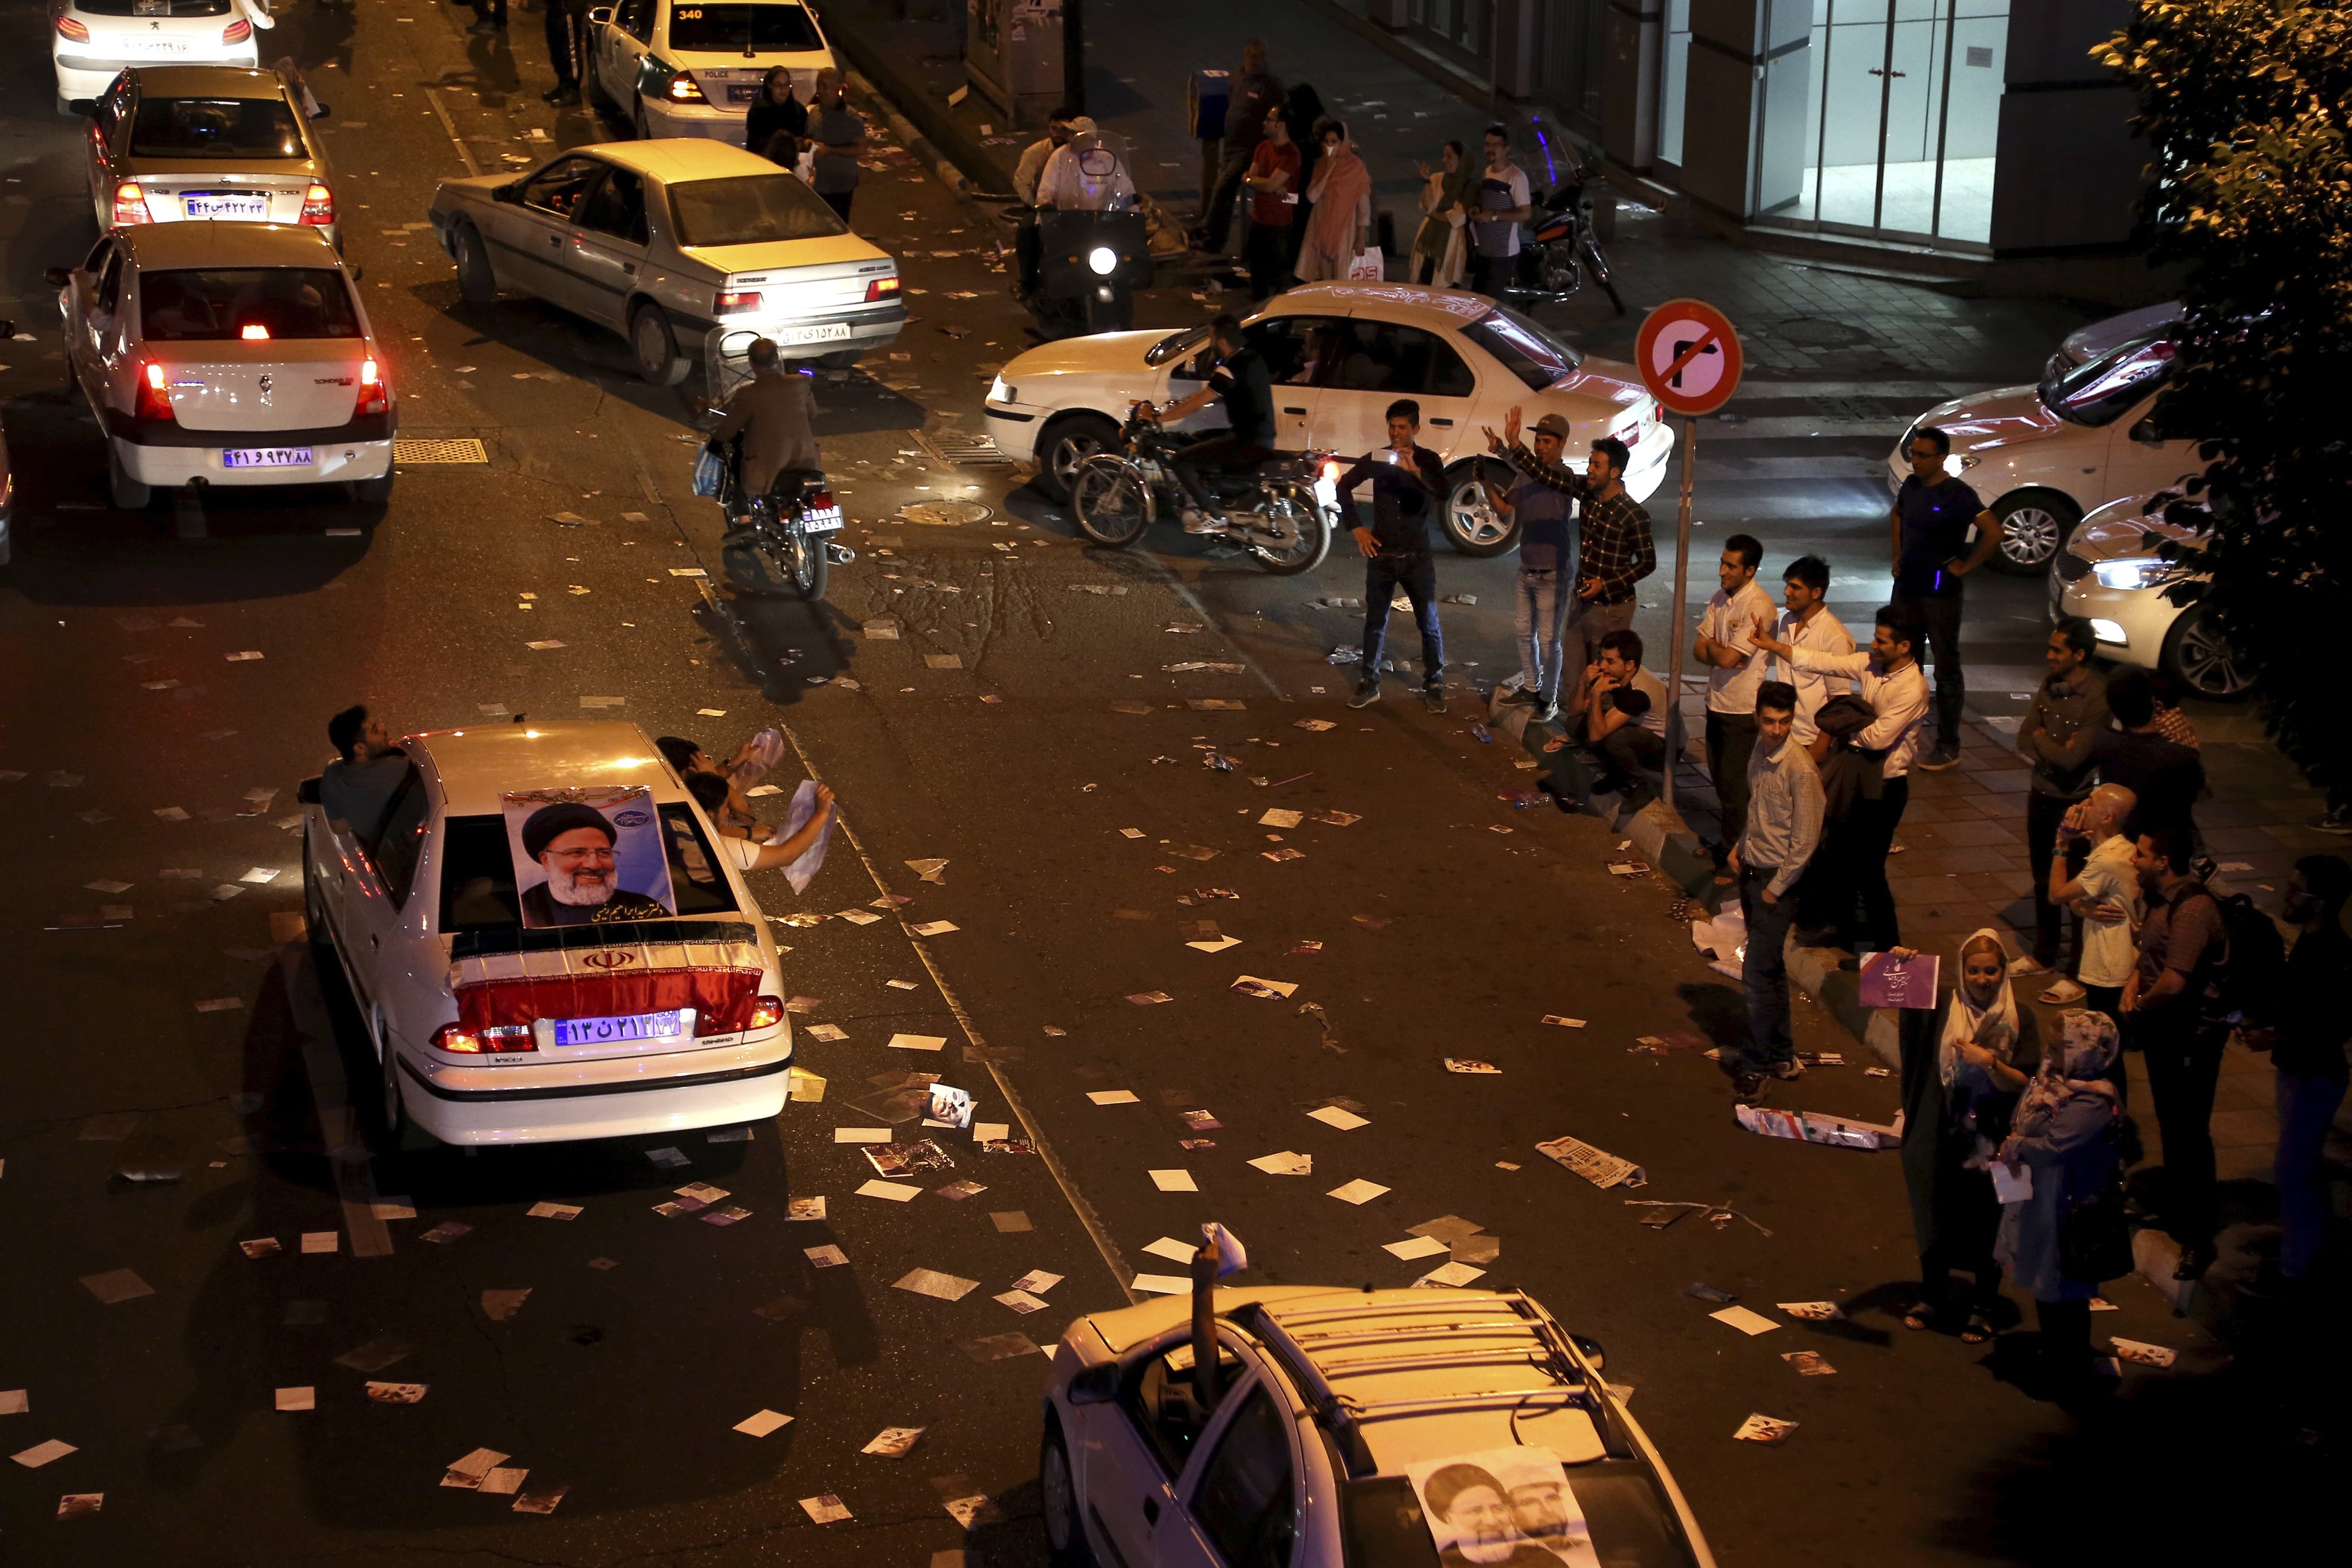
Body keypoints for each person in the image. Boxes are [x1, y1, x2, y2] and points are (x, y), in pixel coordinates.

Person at [1751, 604, 1930, 954]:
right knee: (1839, 855)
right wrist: (1773, 647)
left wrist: (1846, 727)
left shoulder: (1912, 688)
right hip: (1857, 774)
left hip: (1885, 787)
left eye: (1881, 640)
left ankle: (1887, 947)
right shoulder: (1872, 666)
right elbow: (1822, 661)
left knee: (1870, 870)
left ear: (1905, 646)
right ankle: (1844, 935)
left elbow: (1878, 738)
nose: (1873, 645)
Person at [1894, 930, 2039, 1342]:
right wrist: (1903, 962)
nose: (1982, 978)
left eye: (1990, 970)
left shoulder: (2019, 1017)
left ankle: (1984, 1305)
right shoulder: (1942, 1004)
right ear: (1963, 970)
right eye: (1973, 970)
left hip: (1996, 1135)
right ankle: (1933, 1296)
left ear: (2003, 971)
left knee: (1989, 1218)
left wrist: (1990, 1061)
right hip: (1942, 1129)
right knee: (1934, 1207)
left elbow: (2027, 1080)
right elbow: (1898, 996)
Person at [1994, 1009, 2126, 1383]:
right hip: (2045, 1200)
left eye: (2061, 1047)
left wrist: (2019, 1144)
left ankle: (2067, 1365)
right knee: (2046, 1284)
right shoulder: (2057, 1085)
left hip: (2067, 1209)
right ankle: (2056, 1352)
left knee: (2064, 1289)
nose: (2051, 1054)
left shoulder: (2093, 1102)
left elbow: (2055, 1146)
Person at [2124, 827, 2229, 1281]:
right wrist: (2133, 985)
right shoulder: (2158, 900)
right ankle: (2176, 1206)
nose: (2134, 858)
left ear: (2163, 860)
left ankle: (2198, 1235)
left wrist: (2139, 1007)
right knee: (2171, 1119)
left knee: (2190, 1129)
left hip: (2192, 1037)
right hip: (2166, 1031)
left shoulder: (2193, 909)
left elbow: (2173, 980)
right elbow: (2148, 958)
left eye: (2142, 852)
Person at [2243, 855, 2352, 1290]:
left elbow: (2331, 1025)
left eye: (2296, 890)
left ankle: (2295, 1266)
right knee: (2301, 1164)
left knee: (2293, 1167)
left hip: (2315, 1075)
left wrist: (2275, 1037)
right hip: (2299, 1071)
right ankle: (2310, 1242)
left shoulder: (2335, 954)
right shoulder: (2312, 943)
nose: (2287, 896)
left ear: (2320, 902)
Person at [1484, 407, 1656, 682]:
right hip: (1582, 599)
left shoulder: (1632, 514)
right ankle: (1570, 716)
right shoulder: (1587, 493)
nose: (1589, 470)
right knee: (1576, 675)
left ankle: (1596, 722)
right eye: (1589, 463)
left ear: (1614, 472)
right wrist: (1513, 446)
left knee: (1606, 676)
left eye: (1596, 466)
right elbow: (1544, 476)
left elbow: (1648, 563)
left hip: (1612, 606)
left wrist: (1607, 584)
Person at [1725, 681, 1825, 1101]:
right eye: (1769, 721)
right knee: (1770, 971)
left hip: (1775, 885)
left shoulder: (1800, 770)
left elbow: (1804, 842)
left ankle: (1758, 1062)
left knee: (1755, 974)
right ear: (1757, 717)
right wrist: (1740, 845)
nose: (1777, 729)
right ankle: (1782, 1056)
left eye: (1785, 722)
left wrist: (1775, 889)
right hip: (1752, 870)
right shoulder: (1759, 751)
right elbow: (1758, 808)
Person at [1889, 425, 1996, 771]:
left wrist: (1966, 566)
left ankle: (1948, 744)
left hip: (1940, 594)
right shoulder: (1912, 486)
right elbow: (1898, 514)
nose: (1915, 461)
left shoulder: (1958, 494)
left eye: (1922, 455)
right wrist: (1898, 555)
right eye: (1913, 454)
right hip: (1907, 587)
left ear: (1941, 458)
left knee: (1946, 668)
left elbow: (1994, 531)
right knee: (1906, 663)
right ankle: (1905, 730)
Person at [1336, 400, 1448, 714]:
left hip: (1417, 556)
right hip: (1381, 554)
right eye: (1392, 427)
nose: (1396, 433)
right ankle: (1369, 682)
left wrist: (1416, 473)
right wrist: (1357, 527)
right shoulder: (1378, 457)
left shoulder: (1428, 460)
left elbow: (1443, 492)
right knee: (1375, 622)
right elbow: (1344, 486)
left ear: (1416, 428)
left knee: (1428, 621)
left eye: (1402, 428)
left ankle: (1435, 683)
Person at [2020, 620, 2111, 974]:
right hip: (2040, 795)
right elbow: (2024, 737)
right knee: (2042, 877)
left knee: (2075, 885)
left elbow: (2074, 761)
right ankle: (2044, 954)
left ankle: (2076, 967)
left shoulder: (2096, 700)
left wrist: (2043, 741)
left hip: (2072, 804)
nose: (2049, 655)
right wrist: (2047, 742)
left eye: (2057, 650)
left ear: (2080, 654)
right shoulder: (2050, 685)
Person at [1479, 412, 1578, 721]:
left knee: (1549, 641)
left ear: (1562, 444)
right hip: (1528, 569)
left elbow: (1539, 474)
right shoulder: (1526, 474)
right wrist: (1485, 482)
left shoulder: (1564, 476)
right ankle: (1532, 688)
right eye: (1537, 440)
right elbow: (1505, 508)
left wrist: (1509, 449)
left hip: (1554, 571)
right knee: (1524, 634)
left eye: (1547, 441)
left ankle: (1548, 700)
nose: (1540, 446)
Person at [1695, 534, 1775, 876]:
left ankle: (1738, 856)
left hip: (1742, 710)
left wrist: (1718, 651)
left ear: (1750, 570)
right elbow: (1700, 651)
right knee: (1720, 780)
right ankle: (1728, 843)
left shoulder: (1759, 607)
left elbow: (1725, 657)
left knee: (1734, 786)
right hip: (1717, 703)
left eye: (1731, 565)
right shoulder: (1720, 599)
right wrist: (1718, 652)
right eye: (1722, 563)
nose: (1722, 571)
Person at [1152, 315, 1275, 534]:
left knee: (1181, 460)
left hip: (1246, 440)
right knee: (1201, 439)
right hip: (1260, 434)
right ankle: (1208, 500)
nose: (1209, 344)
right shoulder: (1254, 359)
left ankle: (1213, 516)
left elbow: (1199, 402)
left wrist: (1159, 418)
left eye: (1210, 338)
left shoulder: (1231, 367)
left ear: (1220, 341)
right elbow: (1230, 392)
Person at [2046, 783, 2141, 1023]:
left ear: (2106, 817)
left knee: (2105, 1035)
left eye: (2090, 802)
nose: (2081, 807)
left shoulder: (2107, 861)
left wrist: (2062, 844)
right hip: (2118, 957)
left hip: (2109, 961)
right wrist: (2081, 907)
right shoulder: (2118, 850)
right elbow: (2081, 897)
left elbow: (2056, 895)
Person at [706, 338, 820, 527]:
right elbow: (812, 414)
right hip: (806, 460)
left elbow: (728, 429)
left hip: (767, 469)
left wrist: (714, 442)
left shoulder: (748, 394)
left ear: (751, 363)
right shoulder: (800, 383)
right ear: (776, 359)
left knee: (736, 463)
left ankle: (744, 520)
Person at [2093, 670, 2204, 846]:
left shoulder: (2104, 742)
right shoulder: (2182, 759)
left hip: (2116, 844)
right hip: (2162, 852)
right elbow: (2199, 792)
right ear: (2154, 702)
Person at [517, 803, 672, 925]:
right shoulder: (522, 911)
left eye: (603, 853)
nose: (594, 865)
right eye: (577, 852)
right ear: (546, 860)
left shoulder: (643, 909)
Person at [1565, 629, 1670, 810]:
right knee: (1575, 725)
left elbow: (1598, 735)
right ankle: (1617, 774)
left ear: (1629, 665)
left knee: (1616, 740)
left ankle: (1640, 785)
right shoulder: (1614, 675)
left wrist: (1597, 693)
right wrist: (1582, 683)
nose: (1603, 666)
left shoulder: (1638, 691)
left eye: (1610, 661)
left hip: (1663, 748)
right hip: (1636, 732)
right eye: (1602, 658)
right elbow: (1574, 711)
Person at [1200, 40, 1285, 254]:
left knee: (1223, 187)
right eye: (1252, 56)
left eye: (1260, 57)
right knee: (1225, 194)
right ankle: (1215, 241)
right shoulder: (1237, 78)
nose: (1256, 61)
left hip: (1248, 150)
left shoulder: (1270, 85)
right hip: (1231, 146)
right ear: (1245, 56)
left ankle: (1207, 230)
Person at [1763, 554, 1853, 749]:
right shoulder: (1788, 621)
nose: (1787, 592)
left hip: (1811, 740)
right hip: (1784, 733)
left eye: (1795, 587)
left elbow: (1838, 698)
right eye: (1788, 585)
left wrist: (1820, 747)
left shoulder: (1834, 635)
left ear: (1816, 593)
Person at [1421, 1465, 1563, 1568]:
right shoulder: (1437, 1563)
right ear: (1450, 1519)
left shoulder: (1545, 1561)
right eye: (1475, 1511)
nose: (1492, 1520)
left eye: (1498, 1509)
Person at [1293, 118, 1371, 283]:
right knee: (1323, 278)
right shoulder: (1320, 165)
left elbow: (1363, 207)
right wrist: (1328, 172)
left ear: (1343, 143)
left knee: (1342, 277)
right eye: (1327, 142)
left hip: (1345, 229)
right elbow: (1312, 196)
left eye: (1334, 142)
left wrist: (1361, 238)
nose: (1330, 146)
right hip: (1320, 227)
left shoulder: (1355, 167)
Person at [320, 704, 408, 841]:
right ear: (360, 748)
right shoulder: (399, 769)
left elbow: (338, 828)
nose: (382, 729)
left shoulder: (332, 774)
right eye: (375, 731)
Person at [1240, 106, 1301, 300]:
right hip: (1258, 219)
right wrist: (1258, 182)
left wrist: (1258, 182)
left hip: (1279, 225)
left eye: (1269, 119)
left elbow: (1262, 184)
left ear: (1281, 125)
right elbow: (1249, 178)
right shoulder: (1263, 147)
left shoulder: (1291, 154)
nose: (1264, 123)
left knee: (1279, 279)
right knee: (1258, 277)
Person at [1467, 124, 1531, 298]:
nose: (1490, 149)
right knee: (1477, 298)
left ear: (1506, 149)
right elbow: (1486, 202)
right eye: (1488, 144)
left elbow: (1525, 213)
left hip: (1502, 253)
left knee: (1491, 301)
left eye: (1496, 145)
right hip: (1484, 250)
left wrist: (1494, 216)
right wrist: (1477, 209)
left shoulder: (1516, 177)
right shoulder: (1488, 171)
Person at [1410, 141, 1473, 287]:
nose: (1444, 160)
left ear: (1461, 160)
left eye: (1449, 157)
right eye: (1444, 156)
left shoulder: (1469, 186)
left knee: (1445, 289)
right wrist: (1426, 180)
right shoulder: (1436, 179)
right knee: (1423, 286)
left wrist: (1434, 214)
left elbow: (1458, 217)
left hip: (1451, 246)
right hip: (1428, 242)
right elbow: (1426, 207)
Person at [1035, 122, 1135, 212]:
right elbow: (1046, 189)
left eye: (1075, 133)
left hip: (1101, 221)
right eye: (1070, 133)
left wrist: (1133, 215)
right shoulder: (1059, 156)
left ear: (1091, 138)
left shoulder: (1107, 159)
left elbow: (1125, 189)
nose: (1070, 137)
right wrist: (1045, 216)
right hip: (1066, 221)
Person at [807, 71, 866, 222]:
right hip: (817, 186)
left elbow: (860, 148)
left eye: (825, 86)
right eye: (818, 86)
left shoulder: (851, 117)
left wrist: (830, 150)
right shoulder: (814, 113)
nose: (820, 91)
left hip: (840, 187)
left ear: (838, 88)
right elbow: (808, 138)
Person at [1014, 105, 1075, 205]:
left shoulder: (1077, 152)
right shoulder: (1034, 153)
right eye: (1054, 129)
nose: (1057, 134)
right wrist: (1037, 207)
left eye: (1063, 130)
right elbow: (1022, 183)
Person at [745, 66, 809, 162]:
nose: (783, 89)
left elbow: (805, 137)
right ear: (770, 85)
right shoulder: (759, 111)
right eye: (778, 85)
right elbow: (754, 145)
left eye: (786, 85)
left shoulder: (798, 110)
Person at [540, 0, 587, 105]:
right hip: (556, 6)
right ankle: (563, 86)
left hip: (568, 6)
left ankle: (572, 90)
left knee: (570, 48)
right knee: (556, 46)